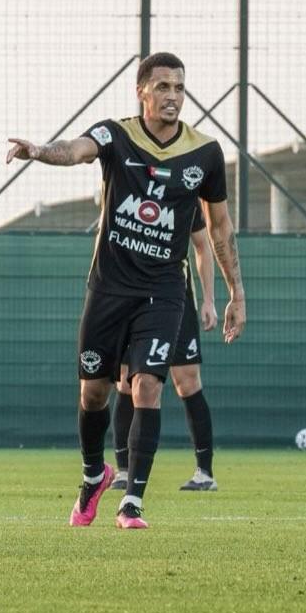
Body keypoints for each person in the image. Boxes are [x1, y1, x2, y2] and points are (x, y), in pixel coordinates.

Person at [6, 52, 245, 529]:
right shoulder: (115, 135)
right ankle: (94, 475)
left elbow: (218, 229)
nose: (172, 96)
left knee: (148, 386)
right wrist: (39, 151)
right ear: (142, 92)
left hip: (163, 291)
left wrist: (235, 293)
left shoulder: (205, 153)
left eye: (179, 87)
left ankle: (132, 500)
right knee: (94, 393)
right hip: (109, 288)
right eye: (163, 86)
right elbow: (76, 149)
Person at [111, 209, 219, 493]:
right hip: (129, 295)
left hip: (174, 297)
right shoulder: (124, 188)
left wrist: (209, 300)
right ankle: (123, 470)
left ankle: (204, 473)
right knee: (125, 380)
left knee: (187, 380)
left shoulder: (185, 192)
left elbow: (202, 244)